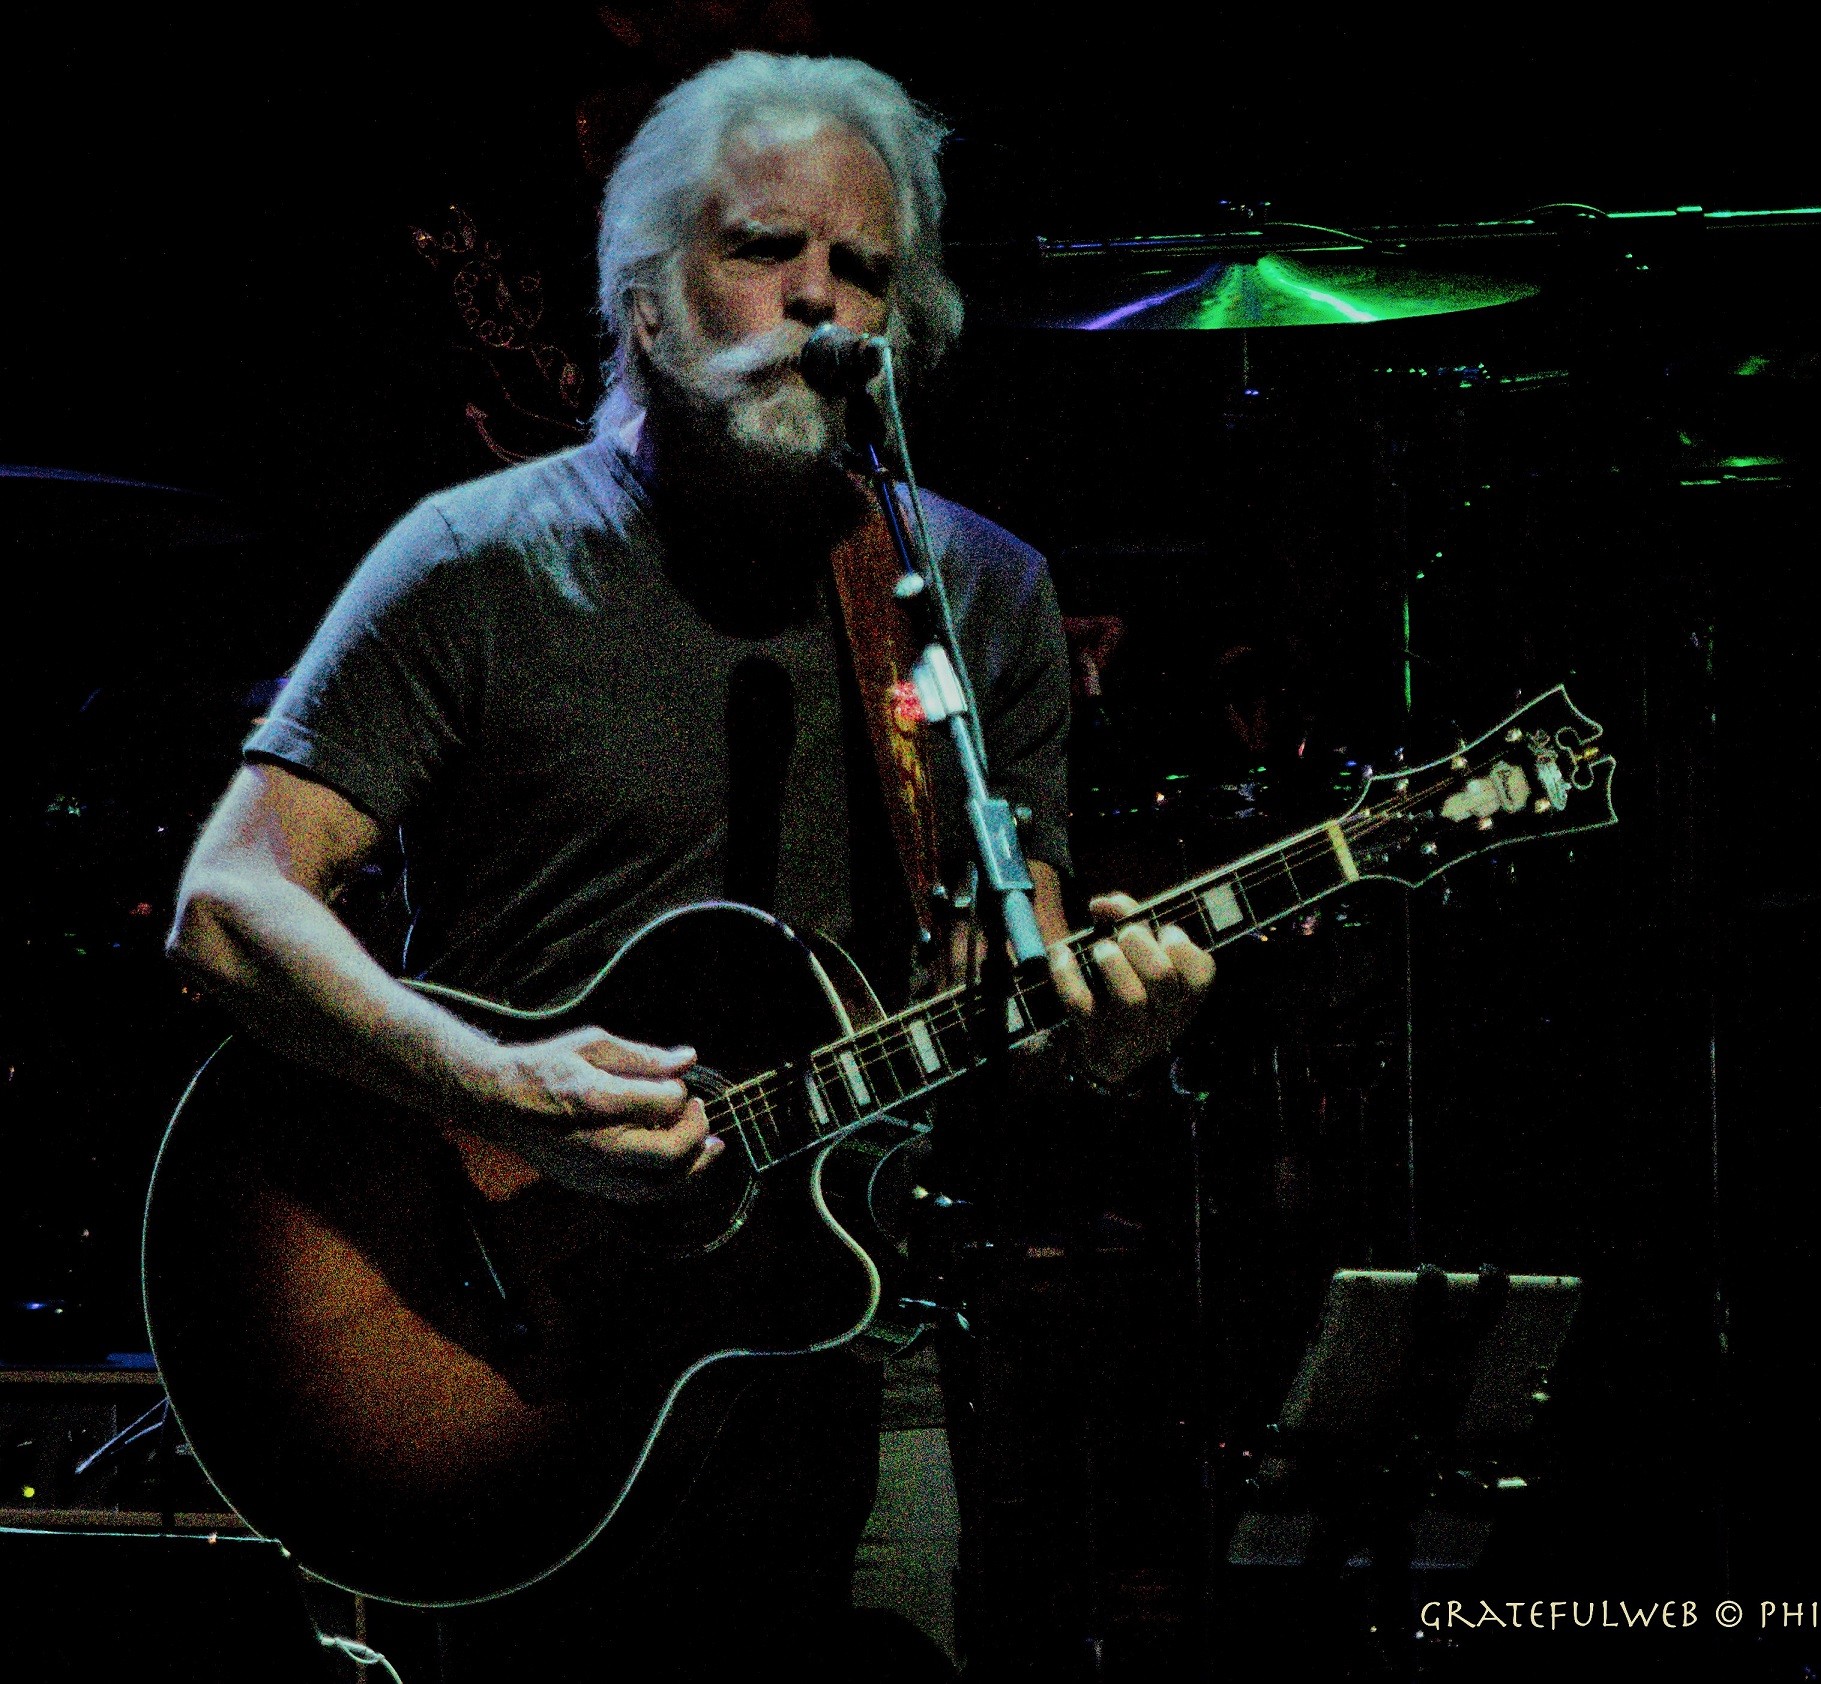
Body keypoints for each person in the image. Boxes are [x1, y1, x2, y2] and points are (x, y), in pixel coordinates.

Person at [164, 49, 1214, 1679]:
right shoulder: (477, 562)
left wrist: (1107, 1035)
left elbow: (1011, 973)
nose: (818, 302)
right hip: (502, 1360)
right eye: (761, 250)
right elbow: (226, 910)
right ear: (644, 301)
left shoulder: (979, 593)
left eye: (862, 270)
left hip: (851, 1338)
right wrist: (496, 1084)